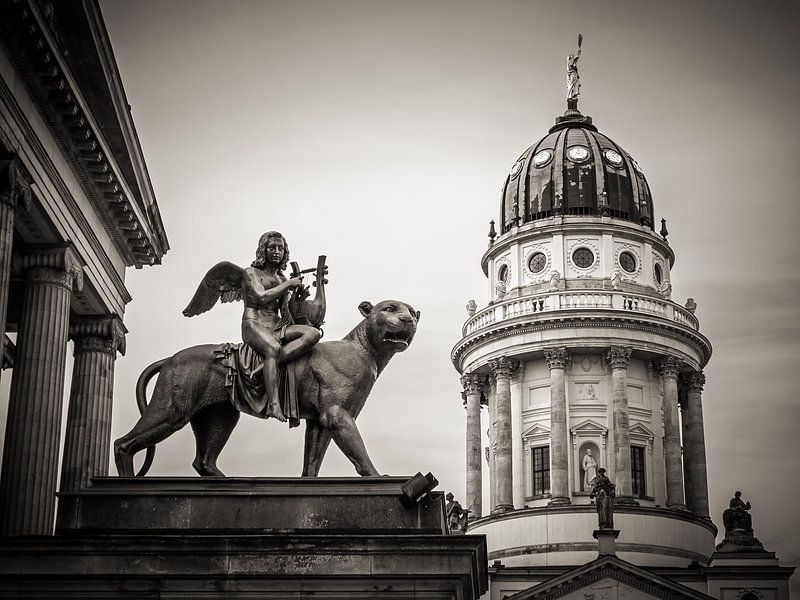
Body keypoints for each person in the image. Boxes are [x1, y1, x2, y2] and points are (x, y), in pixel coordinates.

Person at [241, 231, 321, 421]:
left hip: (276, 325)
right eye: (272, 248)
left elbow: (286, 313)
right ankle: (274, 405)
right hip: (254, 323)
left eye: (280, 248)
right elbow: (262, 297)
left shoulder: (282, 279)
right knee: (273, 348)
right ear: (264, 250)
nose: (277, 251)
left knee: (313, 334)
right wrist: (288, 286)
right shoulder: (250, 272)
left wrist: (300, 297)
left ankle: (265, 366)